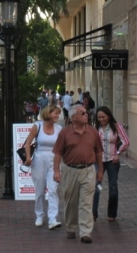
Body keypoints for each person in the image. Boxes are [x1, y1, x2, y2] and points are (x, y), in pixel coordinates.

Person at [53, 104, 104, 244]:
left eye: (86, 113)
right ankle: (71, 227)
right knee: (71, 201)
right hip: (70, 170)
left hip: (88, 170)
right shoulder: (65, 133)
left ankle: (85, 232)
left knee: (86, 203)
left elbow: (99, 152)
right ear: (73, 117)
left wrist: (100, 170)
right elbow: (58, 152)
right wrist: (56, 171)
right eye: (82, 113)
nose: (86, 115)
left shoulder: (93, 132)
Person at [24, 105, 63, 229]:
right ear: (48, 113)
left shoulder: (59, 128)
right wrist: (28, 158)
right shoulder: (38, 125)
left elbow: (62, 147)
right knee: (39, 189)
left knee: (52, 189)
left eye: (58, 114)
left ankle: (52, 218)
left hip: (54, 159)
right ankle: (39, 215)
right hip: (39, 158)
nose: (57, 116)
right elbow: (28, 143)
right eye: (55, 113)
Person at [93, 106, 130, 222]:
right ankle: (93, 213)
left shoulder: (116, 126)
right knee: (96, 186)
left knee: (113, 187)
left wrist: (118, 153)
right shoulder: (95, 128)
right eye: (99, 117)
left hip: (112, 161)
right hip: (98, 161)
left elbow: (126, 142)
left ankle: (112, 214)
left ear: (108, 116)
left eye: (103, 117)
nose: (101, 119)